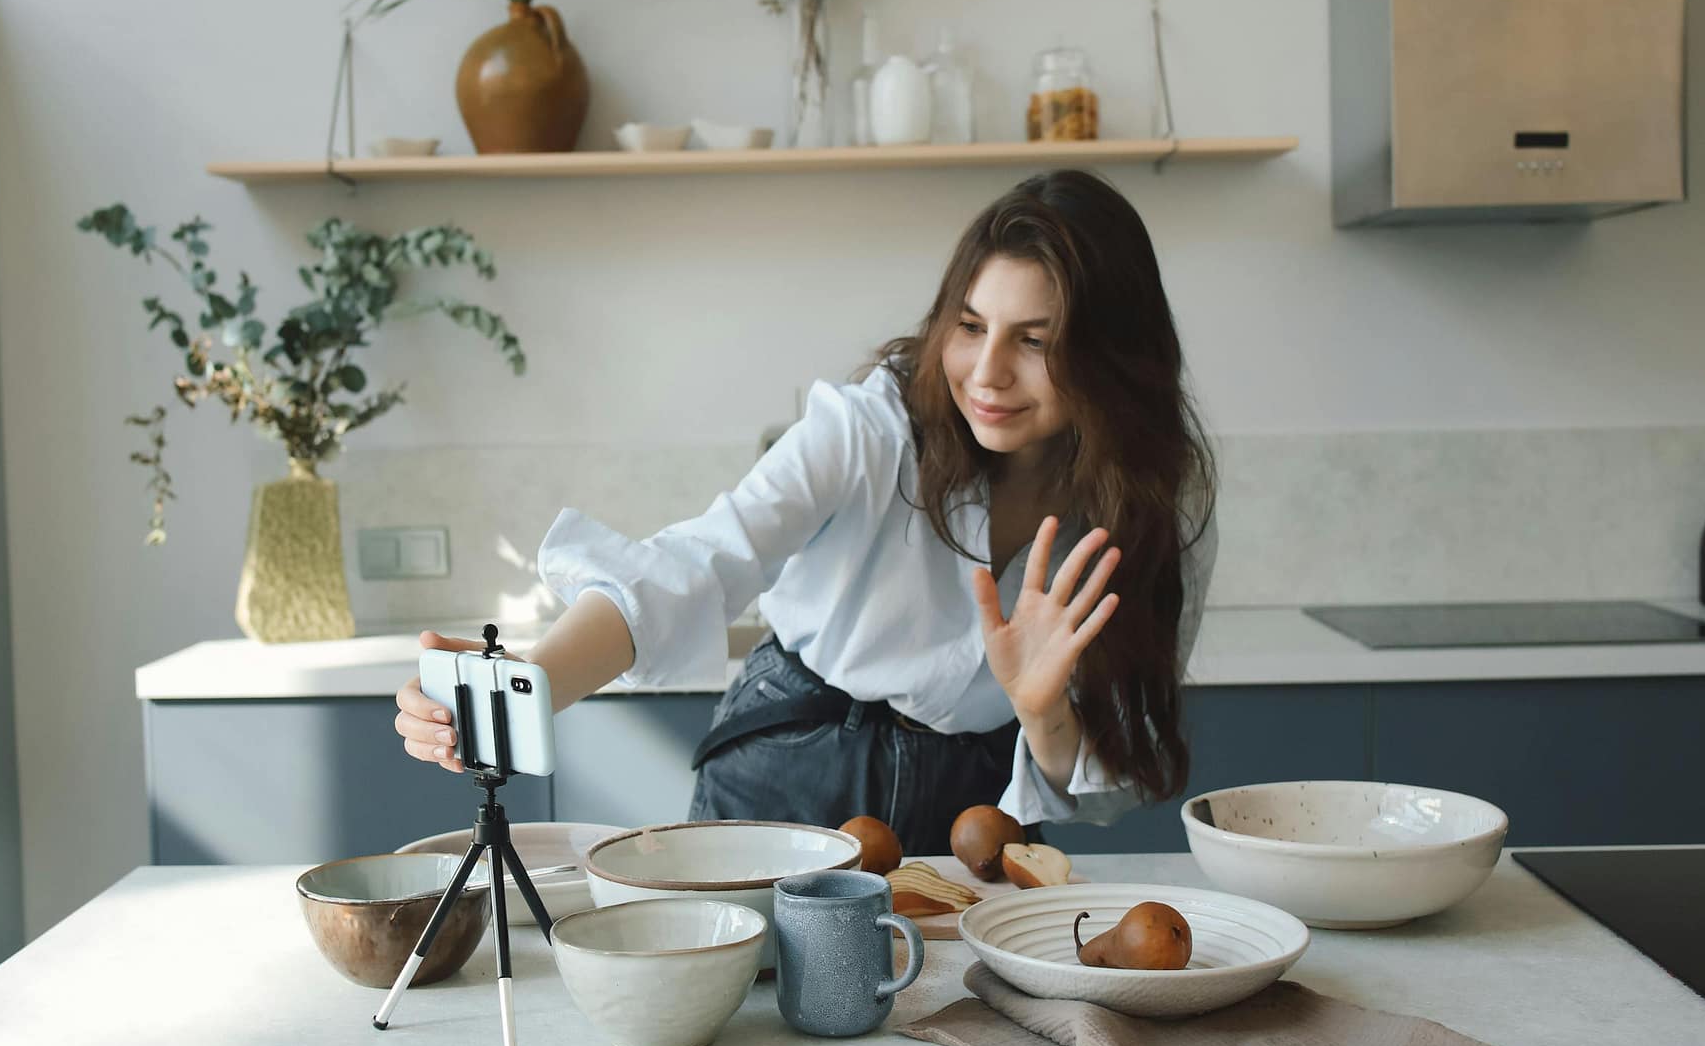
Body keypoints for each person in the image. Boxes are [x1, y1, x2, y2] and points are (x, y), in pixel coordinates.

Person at [391, 169, 1218, 855]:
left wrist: (1044, 714)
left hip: (975, 811)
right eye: (970, 326)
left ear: (1112, 357)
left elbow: (1117, 776)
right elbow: (698, 564)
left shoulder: (1151, 501)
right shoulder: (869, 429)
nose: (987, 372)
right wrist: (525, 686)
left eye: (1035, 341)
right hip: (790, 764)